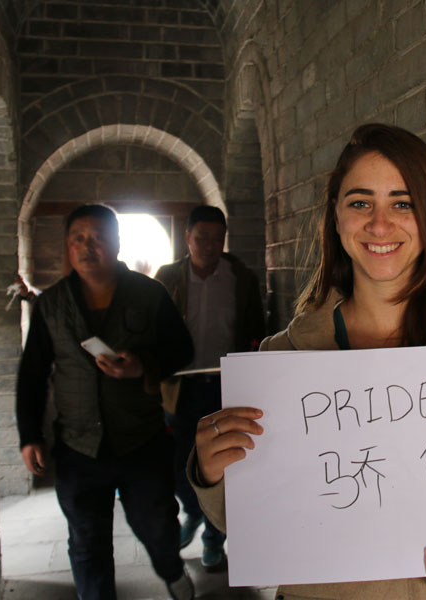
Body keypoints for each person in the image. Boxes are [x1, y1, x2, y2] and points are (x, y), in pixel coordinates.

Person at [187, 124, 426, 600]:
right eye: (360, 202)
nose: (380, 225)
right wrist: (211, 471)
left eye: (402, 203)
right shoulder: (282, 361)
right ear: (336, 218)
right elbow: (253, 519)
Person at [16, 204, 196, 600]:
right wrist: (30, 435)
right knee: (86, 540)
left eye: (97, 237)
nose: (87, 247)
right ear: (68, 246)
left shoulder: (149, 294)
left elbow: (182, 350)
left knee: (158, 527)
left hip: (141, 440)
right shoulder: (53, 304)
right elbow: (32, 373)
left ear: (115, 243)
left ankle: (171, 569)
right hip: (78, 447)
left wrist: (143, 367)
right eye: (78, 238)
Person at [155, 205, 266, 571]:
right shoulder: (168, 277)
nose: (209, 245)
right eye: (202, 238)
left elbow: (255, 329)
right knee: (179, 462)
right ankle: (192, 511)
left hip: (226, 386)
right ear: (187, 238)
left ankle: (213, 537)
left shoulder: (241, 278)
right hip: (181, 387)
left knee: (224, 464)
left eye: (217, 238)